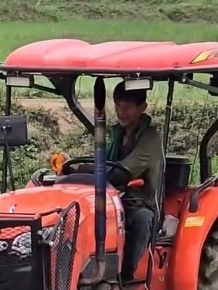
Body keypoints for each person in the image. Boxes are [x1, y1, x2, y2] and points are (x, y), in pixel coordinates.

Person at [68, 82, 164, 280]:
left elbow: (124, 171)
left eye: (128, 107)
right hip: (114, 199)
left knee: (141, 220)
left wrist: (89, 169)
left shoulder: (150, 138)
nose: (122, 111)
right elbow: (104, 163)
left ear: (142, 108)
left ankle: (125, 277)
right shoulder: (116, 135)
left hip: (139, 203)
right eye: (118, 105)